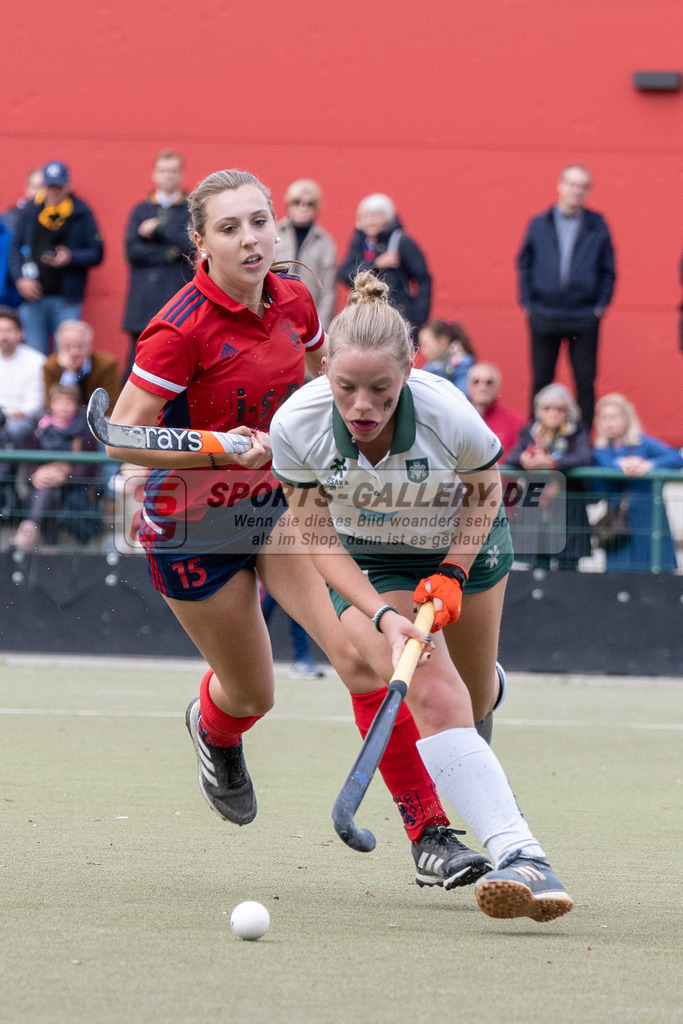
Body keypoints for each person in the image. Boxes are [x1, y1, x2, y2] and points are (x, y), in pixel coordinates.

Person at [103, 168, 491, 893]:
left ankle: (430, 833)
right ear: (200, 244)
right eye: (229, 228)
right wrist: (220, 444)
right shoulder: (177, 328)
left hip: (279, 508)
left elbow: (322, 383)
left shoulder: (295, 299)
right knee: (252, 696)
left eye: (259, 221)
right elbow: (122, 436)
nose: (249, 239)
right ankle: (213, 731)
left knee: (361, 657)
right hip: (193, 527)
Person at [270, 271, 573, 922]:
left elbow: (486, 493)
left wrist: (454, 573)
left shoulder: (448, 414)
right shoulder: (296, 425)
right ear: (324, 369)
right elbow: (313, 533)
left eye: (379, 390)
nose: (361, 406)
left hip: (463, 547)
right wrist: (381, 614)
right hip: (371, 565)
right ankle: (522, 857)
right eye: (346, 387)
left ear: (408, 374)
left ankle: (485, 685)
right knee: (435, 694)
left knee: (473, 695)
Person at [517, 164, 616, 428]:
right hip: (544, 314)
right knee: (541, 379)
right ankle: (535, 439)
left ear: (588, 191)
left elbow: (608, 269)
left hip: (583, 316)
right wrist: (528, 304)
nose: (577, 190)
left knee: (584, 381)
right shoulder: (539, 224)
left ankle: (582, 440)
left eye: (583, 186)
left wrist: (599, 307)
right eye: (572, 184)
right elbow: (524, 263)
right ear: (559, 185)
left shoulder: (598, 226)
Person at [8, 161, 104, 355]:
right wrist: (20, 279)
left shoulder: (81, 212)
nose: (53, 192)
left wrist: (70, 257)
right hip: (33, 297)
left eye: (58, 187)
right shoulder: (30, 210)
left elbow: (97, 252)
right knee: (34, 356)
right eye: (50, 186)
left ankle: (66, 387)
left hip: (66, 299)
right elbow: (15, 249)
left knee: (68, 355)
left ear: (68, 186)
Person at [122, 150, 194, 378]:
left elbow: (191, 244)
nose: (168, 176)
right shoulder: (140, 210)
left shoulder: (192, 209)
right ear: (154, 174)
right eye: (163, 170)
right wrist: (169, 253)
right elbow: (132, 251)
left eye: (173, 171)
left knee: (176, 365)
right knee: (136, 367)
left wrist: (159, 229)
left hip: (177, 299)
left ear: (181, 174)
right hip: (142, 303)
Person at [593, 393, 683, 571]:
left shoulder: (643, 442)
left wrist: (648, 465)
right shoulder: (600, 449)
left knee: (655, 564)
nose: (609, 423)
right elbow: (603, 467)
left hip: (648, 515)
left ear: (626, 419)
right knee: (620, 569)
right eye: (604, 418)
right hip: (618, 519)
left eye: (614, 417)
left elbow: (676, 458)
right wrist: (621, 464)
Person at [507, 383, 592, 569]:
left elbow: (584, 457)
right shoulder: (531, 432)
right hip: (537, 510)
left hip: (567, 508)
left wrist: (551, 463)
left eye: (559, 409)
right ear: (539, 411)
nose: (553, 413)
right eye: (547, 408)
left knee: (568, 568)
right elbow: (511, 456)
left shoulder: (576, 432)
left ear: (567, 412)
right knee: (538, 566)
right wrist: (524, 458)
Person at [10, 383, 99, 551]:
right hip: (43, 487)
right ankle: (50, 544)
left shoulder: (86, 432)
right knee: (49, 489)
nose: (63, 407)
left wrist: (65, 474)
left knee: (50, 490)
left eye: (68, 402)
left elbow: (90, 469)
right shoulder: (39, 431)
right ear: (50, 404)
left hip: (74, 491)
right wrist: (38, 474)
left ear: (77, 405)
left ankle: (30, 530)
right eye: (58, 402)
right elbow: (29, 466)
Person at [338, 193, 431, 340]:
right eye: (366, 216)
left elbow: (423, 279)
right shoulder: (358, 242)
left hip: (397, 315)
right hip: (364, 316)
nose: (370, 221)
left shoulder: (401, 241)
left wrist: (419, 318)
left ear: (387, 218)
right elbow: (344, 274)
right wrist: (376, 264)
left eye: (376, 216)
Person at [273, 179, 337, 330]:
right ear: (288, 205)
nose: (303, 207)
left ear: (316, 208)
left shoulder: (326, 243)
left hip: (310, 319)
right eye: (297, 202)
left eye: (309, 204)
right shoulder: (273, 234)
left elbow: (329, 292)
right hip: (275, 315)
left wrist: (320, 328)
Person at [43, 319, 120, 415]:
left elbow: (111, 405)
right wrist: (69, 373)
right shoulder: (51, 366)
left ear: (89, 346)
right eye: (67, 347)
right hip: (64, 425)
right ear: (59, 347)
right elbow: (50, 407)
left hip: (96, 421)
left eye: (80, 346)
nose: (74, 352)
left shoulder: (106, 365)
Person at [0, 306, 45, 448]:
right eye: (0, 331)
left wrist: (6, 417)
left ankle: (16, 469)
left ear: (20, 333)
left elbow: (34, 405)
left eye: (8, 331)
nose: (3, 336)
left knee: (15, 429)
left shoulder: (36, 360)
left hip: (22, 420)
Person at [466, 362, 524, 464]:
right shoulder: (458, 419)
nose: (482, 387)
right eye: (476, 382)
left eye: (489, 382)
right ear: (468, 387)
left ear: (497, 388)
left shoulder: (515, 421)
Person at [417, 320, 475, 393]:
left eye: (426, 344)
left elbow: (461, 394)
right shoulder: (430, 365)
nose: (422, 350)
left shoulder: (462, 364)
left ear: (443, 341)